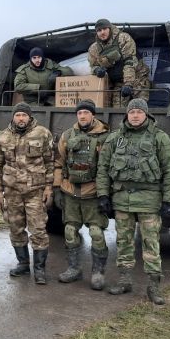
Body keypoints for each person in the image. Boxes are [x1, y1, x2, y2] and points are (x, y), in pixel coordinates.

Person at [96, 98, 170, 304]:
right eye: (131, 112)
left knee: (151, 243)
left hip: (149, 199)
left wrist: (169, 201)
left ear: (146, 115)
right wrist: (103, 195)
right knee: (123, 241)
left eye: (139, 112)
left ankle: (153, 286)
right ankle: (124, 280)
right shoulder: (115, 138)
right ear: (126, 115)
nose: (134, 116)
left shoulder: (160, 138)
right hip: (122, 198)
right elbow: (103, 169)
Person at [53, 99, 111, 289]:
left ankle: (97, 272)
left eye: (86, 113)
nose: (83, 116)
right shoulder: (68, 135)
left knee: (96, 233)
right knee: (70, 231)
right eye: (79, 113)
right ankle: (74, 268)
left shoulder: (104, 137)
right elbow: (58, 163)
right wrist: (56, 189)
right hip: (70, 192)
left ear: (93, 115)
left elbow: (108, 168)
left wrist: (105, 195)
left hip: (93, 193)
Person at [0, 102, 54, 284]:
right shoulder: (3, 137)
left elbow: (50, 162)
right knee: (16, 228)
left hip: (35, 191)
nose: (21, 118)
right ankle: (22, 264)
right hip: (12, 191)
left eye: (24, 115)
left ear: (30, 117)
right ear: (13, 117)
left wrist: (49, 187)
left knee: (38, 230)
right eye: (18, 115)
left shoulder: (42, 134)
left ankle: (40, 269)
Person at [88, 19, 150, 108]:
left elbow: (130, 61)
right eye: (99, 30)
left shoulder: (123, 38)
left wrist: (128, 84)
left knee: (140, 108)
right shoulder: (94, 48)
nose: (102, 32)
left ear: (110, 28)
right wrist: (97, 70)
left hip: (137, 78)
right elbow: (93, 66)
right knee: (117, 110)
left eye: (104, 29)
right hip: (118, 83)